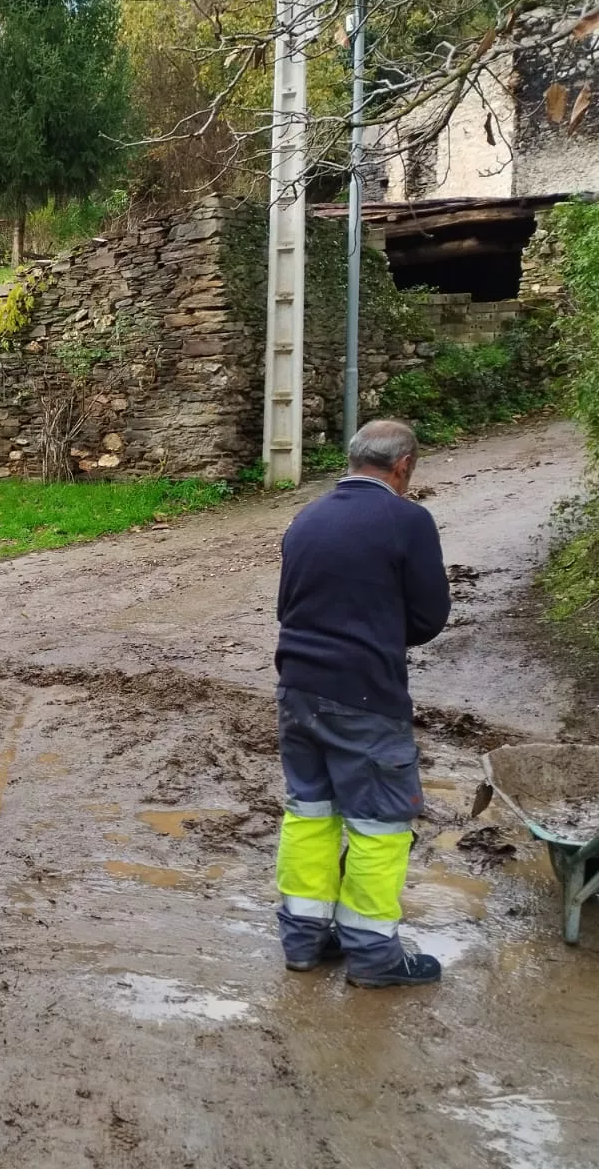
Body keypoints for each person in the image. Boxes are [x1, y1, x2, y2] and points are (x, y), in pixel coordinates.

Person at [274, 419, 452, 988]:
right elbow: (428, 619)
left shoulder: (307, 517)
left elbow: (288, 606)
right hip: (367, 696)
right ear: (403, 467)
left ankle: (303, 942)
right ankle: (375, 959)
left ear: (353, 460)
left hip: (297, 690)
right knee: (380, 824)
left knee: (310, 812)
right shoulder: (408, 520)